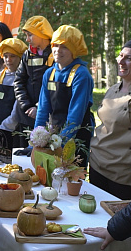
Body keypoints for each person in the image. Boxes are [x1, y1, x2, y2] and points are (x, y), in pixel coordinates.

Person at [34, 25, 94, 168]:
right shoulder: (49, 73)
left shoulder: (81, 75)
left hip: (77, 136)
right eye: (55, 45)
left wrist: (60, 145)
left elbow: (75, 116)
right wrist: (36, 140)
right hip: (54, 134)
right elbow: (43, 109)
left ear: (74, 50)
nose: (57, 50)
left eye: (64, 47)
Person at [88, 40, 131, 200]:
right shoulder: (113, 90)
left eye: (128, 58)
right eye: (121, 55)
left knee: (113, 223)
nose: (121, 61)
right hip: (97, 166)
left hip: (121, 176)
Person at [13, 15, 54, 155]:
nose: (27, 39)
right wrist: (27, 106)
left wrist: (39, 108)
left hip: (47, 118)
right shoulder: (27, 55)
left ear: (42, 34)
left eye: (30, 35)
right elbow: (18, 81)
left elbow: (55, 89)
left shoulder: (56, 54)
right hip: (25, 116)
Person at [0, 38, 27, 131]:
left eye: (13, 56)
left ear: (21, 57)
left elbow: (17, 112)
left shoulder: (24, 80)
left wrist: (4, 129)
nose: (8, 60)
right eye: (6, 56)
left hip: (15, 131)